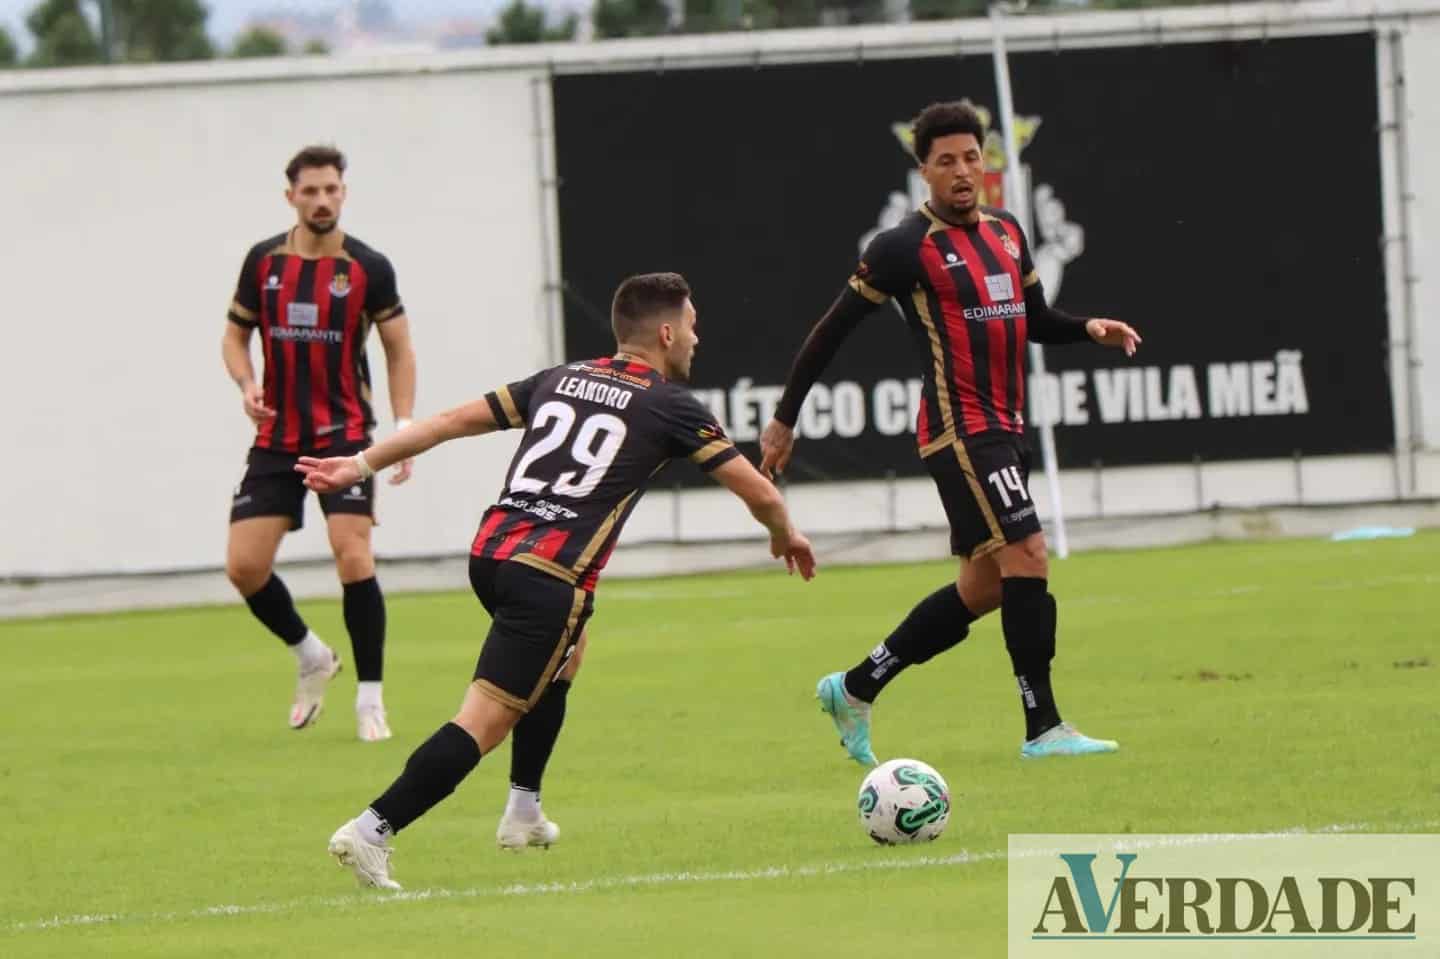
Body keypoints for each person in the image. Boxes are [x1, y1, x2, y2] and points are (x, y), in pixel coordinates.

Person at [301, 272, 816, 889]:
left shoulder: (558, 378)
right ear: (666, 331)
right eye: (693, 326)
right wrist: (785, 532)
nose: (697, 339)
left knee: (569, 650)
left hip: (492, 554)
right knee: (483, 721)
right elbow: (757, 489)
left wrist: (358, 463)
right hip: (547, 576)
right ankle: (371, 831)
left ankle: (523, 811)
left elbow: (445, 422)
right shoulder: (671, 404)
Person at [758, 101, 1141, 763]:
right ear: (924, 171)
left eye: (972, 158)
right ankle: (1043, 724)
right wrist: (785, 417)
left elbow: (1035, 317)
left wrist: (1087, 329)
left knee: (987, 586)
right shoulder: (904, 247)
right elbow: (831, 331)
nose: (964, 171)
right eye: (947, 162)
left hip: (1005, 427)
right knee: (1029, 555)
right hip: (960, 430)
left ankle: (854, 686)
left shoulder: (1007, 231)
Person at [222, 145, 417, 742]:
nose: (322, 200)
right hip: (278, 439)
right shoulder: (263, 262)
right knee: (244, 567)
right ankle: (310, 654)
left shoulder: (368, 267)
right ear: (291, 198)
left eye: (331, 189)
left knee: (352, 554)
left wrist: (405, 429)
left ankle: (370, 700)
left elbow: (398, 349)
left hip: (345, 436)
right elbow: (234, 336)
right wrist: (247, 382)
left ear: (344, 193)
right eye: (310, 191)